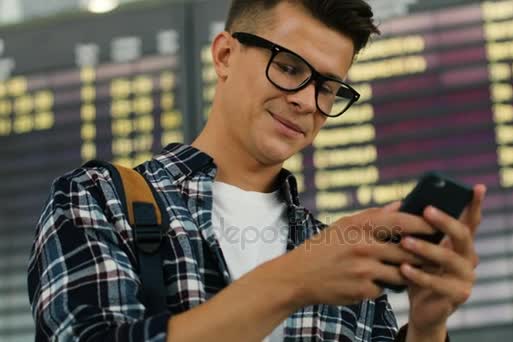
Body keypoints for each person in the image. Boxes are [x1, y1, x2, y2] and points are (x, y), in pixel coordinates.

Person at [28, 0, 486, 341]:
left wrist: (428, 325)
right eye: (289, 67)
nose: (307, 101)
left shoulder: (342, 258)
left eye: (328, 88)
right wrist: (294, 280)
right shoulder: (100, 198)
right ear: (225, 55)